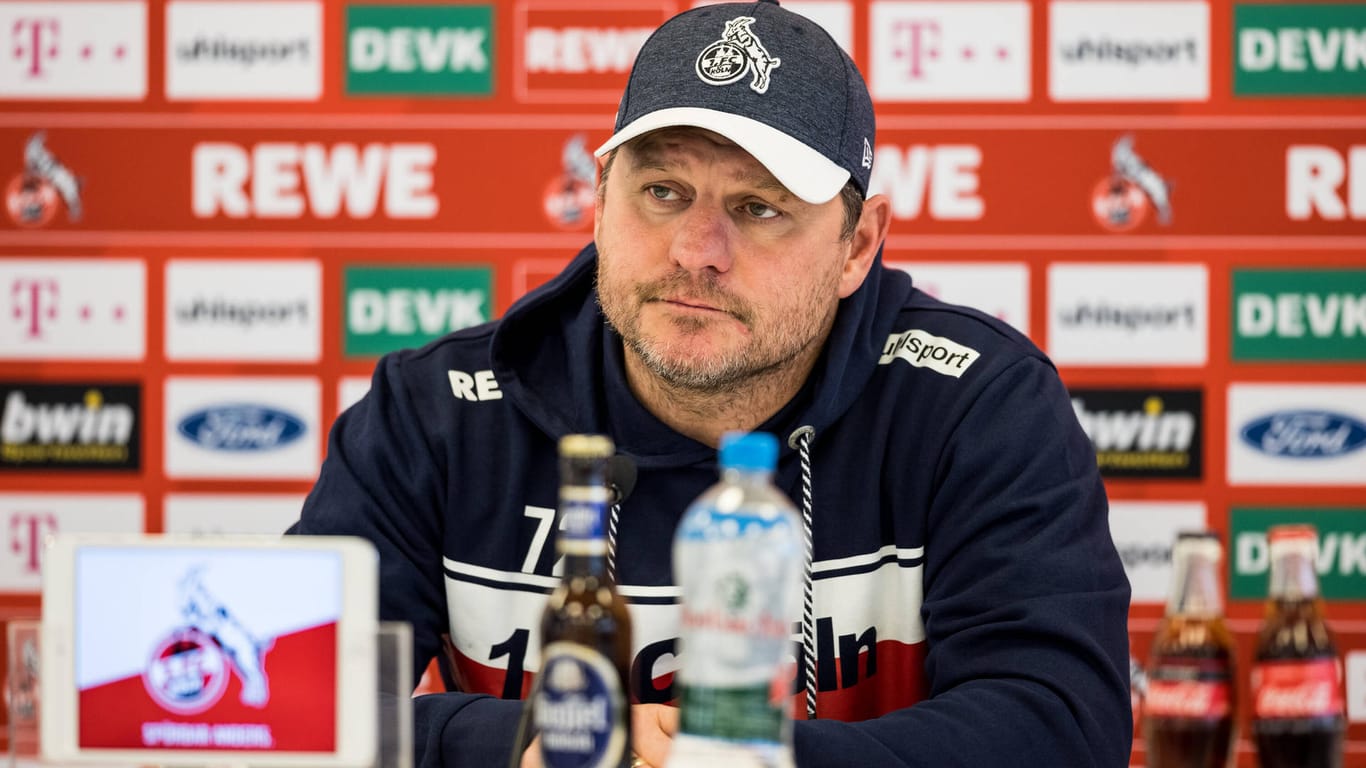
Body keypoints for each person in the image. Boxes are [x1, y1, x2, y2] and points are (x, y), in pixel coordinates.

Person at [289, 1, 1133, 766]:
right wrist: (527, 746)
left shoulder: (976, 406)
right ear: (598, 202)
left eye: (759, 207)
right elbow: (282, 705)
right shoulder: (435, 413)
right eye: (662, 191)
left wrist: (742, 762)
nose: (697, 249)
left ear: (858, 245)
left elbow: (1061, 723)